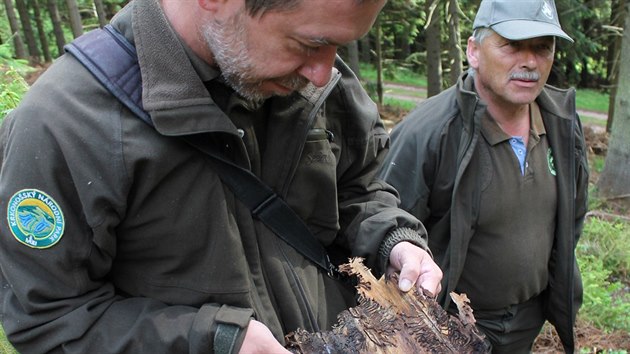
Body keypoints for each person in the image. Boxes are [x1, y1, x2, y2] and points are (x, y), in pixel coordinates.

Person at [0, 0, 443, 353]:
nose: (325, 73)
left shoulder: (318, 80)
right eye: (309, 44)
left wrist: (392, 238)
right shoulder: (65, 124)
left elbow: (358, 188)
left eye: (339, 48)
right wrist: (213, 341)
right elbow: (51, 320)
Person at [378, 0, 589, 352]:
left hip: (526, 323)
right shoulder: (428, 133)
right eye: (512, 45)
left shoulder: (562, 125)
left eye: (542, 48)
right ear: (474, 51)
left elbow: (573, 215)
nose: (530, 62)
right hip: (445, 328)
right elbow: (383, 228)